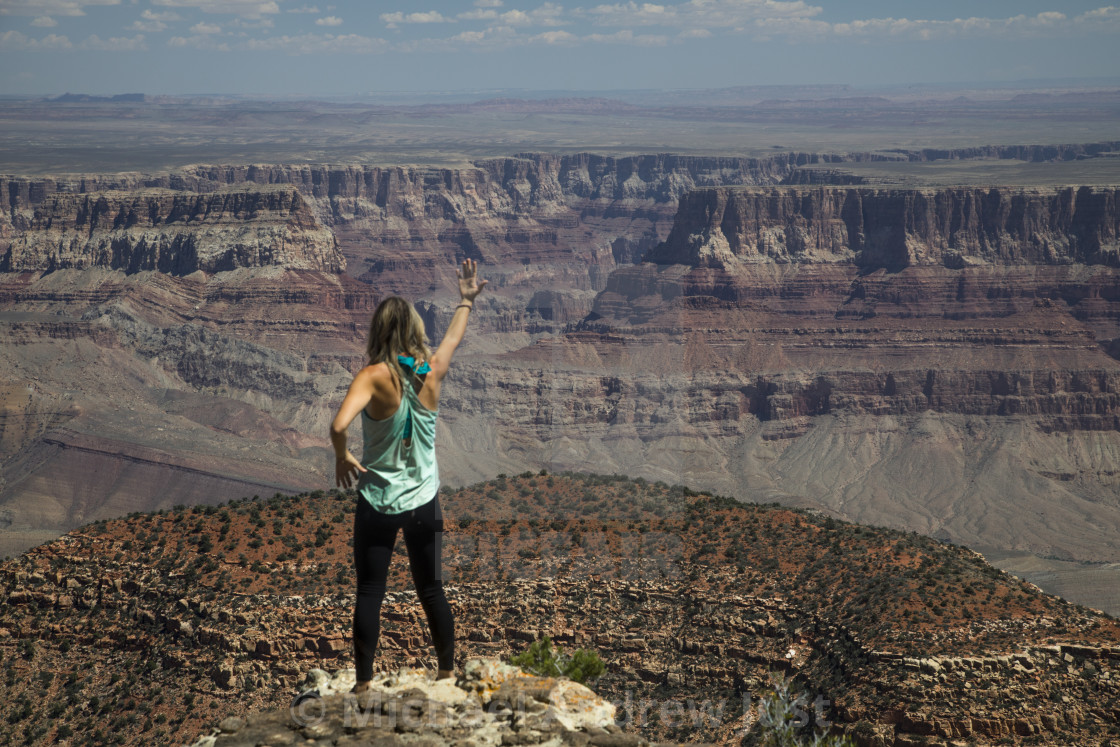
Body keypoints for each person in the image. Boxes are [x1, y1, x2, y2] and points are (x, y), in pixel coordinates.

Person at [330, 259, 487, 691]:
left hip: (378, 501)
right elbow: (453, 338)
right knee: (432, 589)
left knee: (370, 592)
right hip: (424, 502)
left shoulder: (372, 376)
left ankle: (363, 685)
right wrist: (465, 302)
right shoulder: (430, 372)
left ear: (378, 332)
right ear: (414, 329)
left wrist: (343, 457)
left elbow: (339, 426)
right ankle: (447, 674)